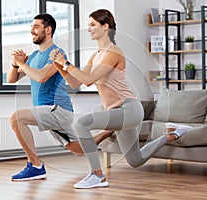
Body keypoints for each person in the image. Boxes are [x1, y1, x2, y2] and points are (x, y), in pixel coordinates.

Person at [49, 9, 192, 189]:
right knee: (135, 160)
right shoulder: (96, 55)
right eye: (88, 25)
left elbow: (89, 79)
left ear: (105, 26)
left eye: (93, 24)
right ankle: (172, 134)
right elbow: (77, 83)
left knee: (81, 124)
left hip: (129, 109)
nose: (89, 29)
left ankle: (97, 175)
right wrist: (60, 67)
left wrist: (66, 63)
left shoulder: (114, 52)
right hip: (117, 111)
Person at [7, 13, 113, 182]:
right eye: (31, 27)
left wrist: (21, 63)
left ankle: (35, 166)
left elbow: (41, 76)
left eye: (36, 27)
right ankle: (109, 131)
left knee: (16, 118)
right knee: (77, 149)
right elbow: (11, 79)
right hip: (47, 110)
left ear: (48, 30)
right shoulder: (34, 56)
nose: (32, 31)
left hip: (57, 109)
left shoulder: (56, 52)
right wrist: (15, 64)